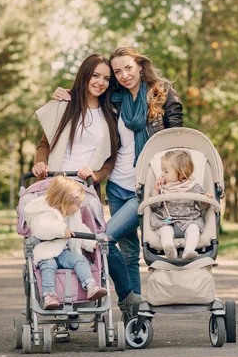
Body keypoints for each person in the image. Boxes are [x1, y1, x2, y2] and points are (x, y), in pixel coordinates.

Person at [53, 47, 183, 320]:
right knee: (128, 251)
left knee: (104, 238)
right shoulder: (114, 99)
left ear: (140, 65)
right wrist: (62, 93)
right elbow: (87, 94)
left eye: (128, 68)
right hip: (117, 185)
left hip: (146, 186)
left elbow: (175, 142)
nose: (123, 75)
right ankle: (135, 318)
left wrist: (169, 178)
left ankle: (129, 301)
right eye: (117, 72)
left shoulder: (162, 94)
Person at [32, 54, 119, 201]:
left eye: (106, 79)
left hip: (84, 190)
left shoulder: (112, 115)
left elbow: (110, 160)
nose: (101, 82)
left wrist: (96, 176)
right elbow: (45, 144)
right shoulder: (64, 105)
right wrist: (40, 163)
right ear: (84, 75)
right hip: (53, 184)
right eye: (95, 76)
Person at [24, 175, 107, 310]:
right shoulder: (43, 212)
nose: (78, 207)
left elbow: (80, 230)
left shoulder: (73, 215)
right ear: (64, 202)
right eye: (77, 205)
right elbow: (41, 229)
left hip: (64, 252)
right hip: (46, 252)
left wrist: (92, 243)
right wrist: (61, 230)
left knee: (80, 260)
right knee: (48, 266)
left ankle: (91, 285)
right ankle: (49, 295)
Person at [149, 150, 212, 260]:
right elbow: (154, 206)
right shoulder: (162, 187)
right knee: (165, 231)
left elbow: (203, 207)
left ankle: (189, 251)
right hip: (166, 219)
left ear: (181, 173)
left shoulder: (193, 187)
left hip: (189, 219)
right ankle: (169, 249)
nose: (162, 174)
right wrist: (155, 191)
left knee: (194, 229)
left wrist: (205, 200)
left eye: (166, 171)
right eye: (162, 170)